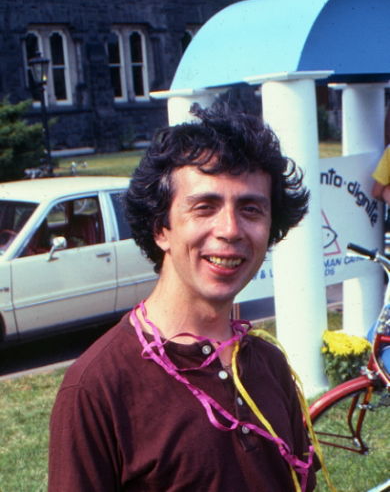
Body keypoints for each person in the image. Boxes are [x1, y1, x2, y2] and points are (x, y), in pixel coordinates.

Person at [48, 105, 317, 492]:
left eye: (251, 209)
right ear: (161, 228)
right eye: (204, 207)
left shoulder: (269, 364)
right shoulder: (96, 388)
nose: (230, 230)